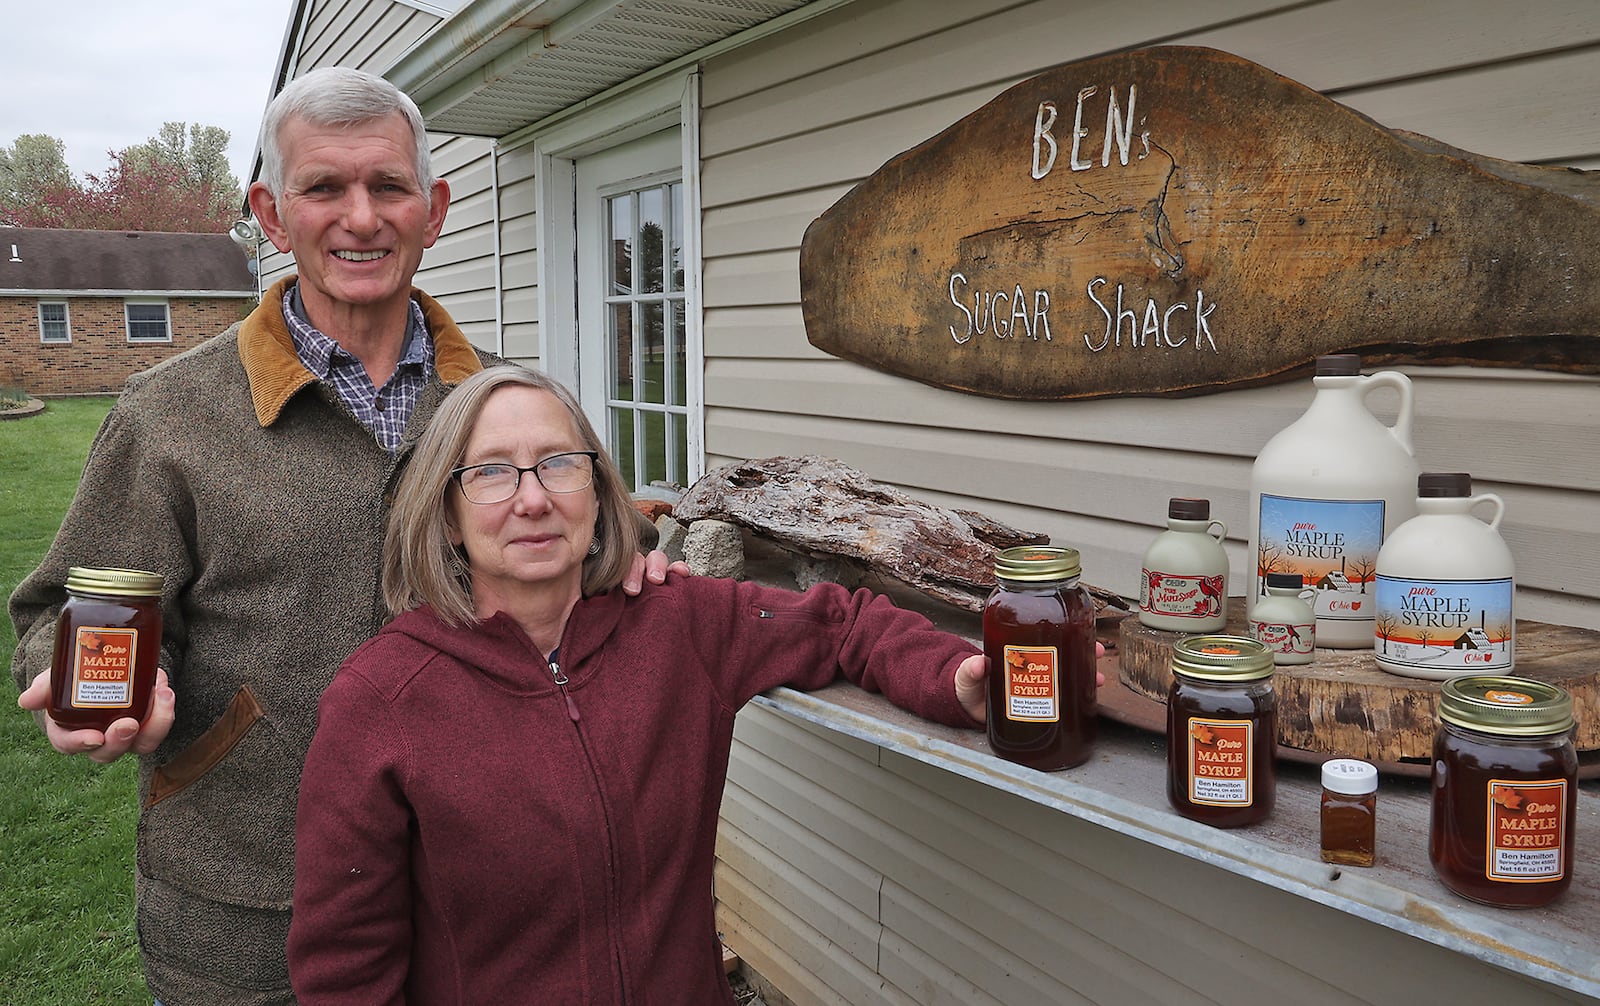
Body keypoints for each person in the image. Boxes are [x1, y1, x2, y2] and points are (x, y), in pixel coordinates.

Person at [8, 67, 674, 1005]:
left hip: (477, 902)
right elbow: (72, 606)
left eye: (388, 186)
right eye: (324, 188)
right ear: (272, 215)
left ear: (434, 209)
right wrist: (106, 676)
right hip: (246, 914)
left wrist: (634, 560)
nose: (360, 217)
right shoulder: (172, 417)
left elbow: (599, 550)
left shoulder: (501, 406)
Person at [286, 365, 994, 1003]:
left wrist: (949, 675)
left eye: (558, 465)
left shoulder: (676, 626)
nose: (532, 500)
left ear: (596, 493)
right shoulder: (382, 702)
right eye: (493, 473)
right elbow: (346, 973)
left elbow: (839, 623)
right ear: (446, 513)